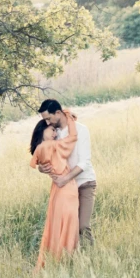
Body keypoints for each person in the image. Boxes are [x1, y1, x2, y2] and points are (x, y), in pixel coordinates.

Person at [35, 98, 97, 248]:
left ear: (58, 113)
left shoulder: (80, 130)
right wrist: (41, 168)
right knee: (69, 227)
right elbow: (45, 155)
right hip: (65, 188)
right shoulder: (53, 133)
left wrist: (65, 179)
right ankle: (72, 257)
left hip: (84, 183)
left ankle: (91, 256)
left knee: (83, 226)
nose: (47, 123)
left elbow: (84, 162)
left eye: (48, 118)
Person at [29, 114, 79, 267]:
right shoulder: (52, 146)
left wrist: (40, 168)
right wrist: (69, 118)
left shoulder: (39, 150)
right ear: (42, 130)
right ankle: (67, 260)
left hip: (56, 190)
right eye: (52, 130)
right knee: (69, 224)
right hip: (66, 188)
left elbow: (36, 164)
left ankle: (56, 261)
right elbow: (73, 137)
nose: (55, 134)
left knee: (56, 226)